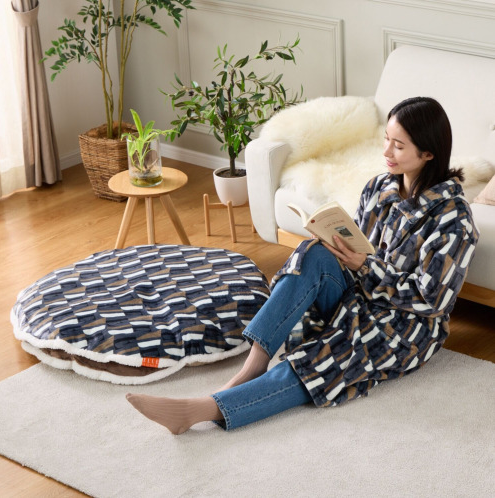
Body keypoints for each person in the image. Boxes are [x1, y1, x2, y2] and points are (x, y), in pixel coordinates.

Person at [126, 97, 479, 434]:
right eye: (386, 139)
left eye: (398, 146)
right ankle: (253, 366)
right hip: (359, 292)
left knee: (326, 358)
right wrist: (335, 245)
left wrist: (365, 266)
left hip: (406, 324)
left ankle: (200, 410)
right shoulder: (378, 187)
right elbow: (359, 244)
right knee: (313, 252)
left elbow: (432, 300)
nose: (386, 151)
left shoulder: (454, 219)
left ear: (428, 153)